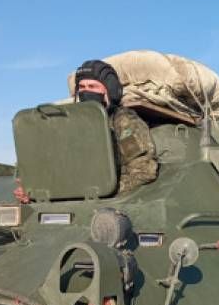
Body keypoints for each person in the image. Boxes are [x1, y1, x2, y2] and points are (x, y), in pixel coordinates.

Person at [14, 60, 157, 203]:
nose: (86, 91)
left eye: (92, 86)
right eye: (82, 87)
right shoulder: (71, 125)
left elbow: (144, 171)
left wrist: (106, 190)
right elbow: (60, 169)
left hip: (112, 202)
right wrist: (34, 193)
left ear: (109, 90)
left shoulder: (124, 122)